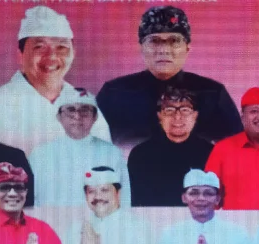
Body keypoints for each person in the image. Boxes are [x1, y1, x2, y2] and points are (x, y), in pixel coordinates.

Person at [96, 6, 242, 147]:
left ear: (187, 48)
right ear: (141, 48)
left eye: (174, 41)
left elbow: (240, 150)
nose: (164, 50)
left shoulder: (213, 94)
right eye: (154, 41)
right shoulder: (114, 93)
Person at [0, 6, 110, 153]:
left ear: (73, 53)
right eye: (39, 47)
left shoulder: (85, 103)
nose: (52, 56)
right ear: (20, 55)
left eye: (61, 47)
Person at [29, 91, 131, 207]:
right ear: (59, 116)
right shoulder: (40, 154)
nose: (77, 116)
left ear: (95, 117)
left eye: (85, 110)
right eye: (70, 109)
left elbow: (125, 198)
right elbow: (29, 199)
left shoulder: (112, 153)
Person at [128, 86, 215, 207]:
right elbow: (134, 203)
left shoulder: (211, 153)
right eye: (169, 110)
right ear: (159, 116)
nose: (177, 116)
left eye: (185, 110)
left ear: (195, 116)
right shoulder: (140, 155)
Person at [157, 169, 249, 244]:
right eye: (194, 193)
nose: (201, 198)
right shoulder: (169, 234)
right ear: (184, 198)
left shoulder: (238, 233)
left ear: (217, 199)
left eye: (208, 193)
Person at [64, 167, 147, 244]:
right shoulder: (75, 228)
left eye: (104, 190)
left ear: (118, 193)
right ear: (86, 195)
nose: (98, 196)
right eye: (91, 191)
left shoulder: (138, 227)